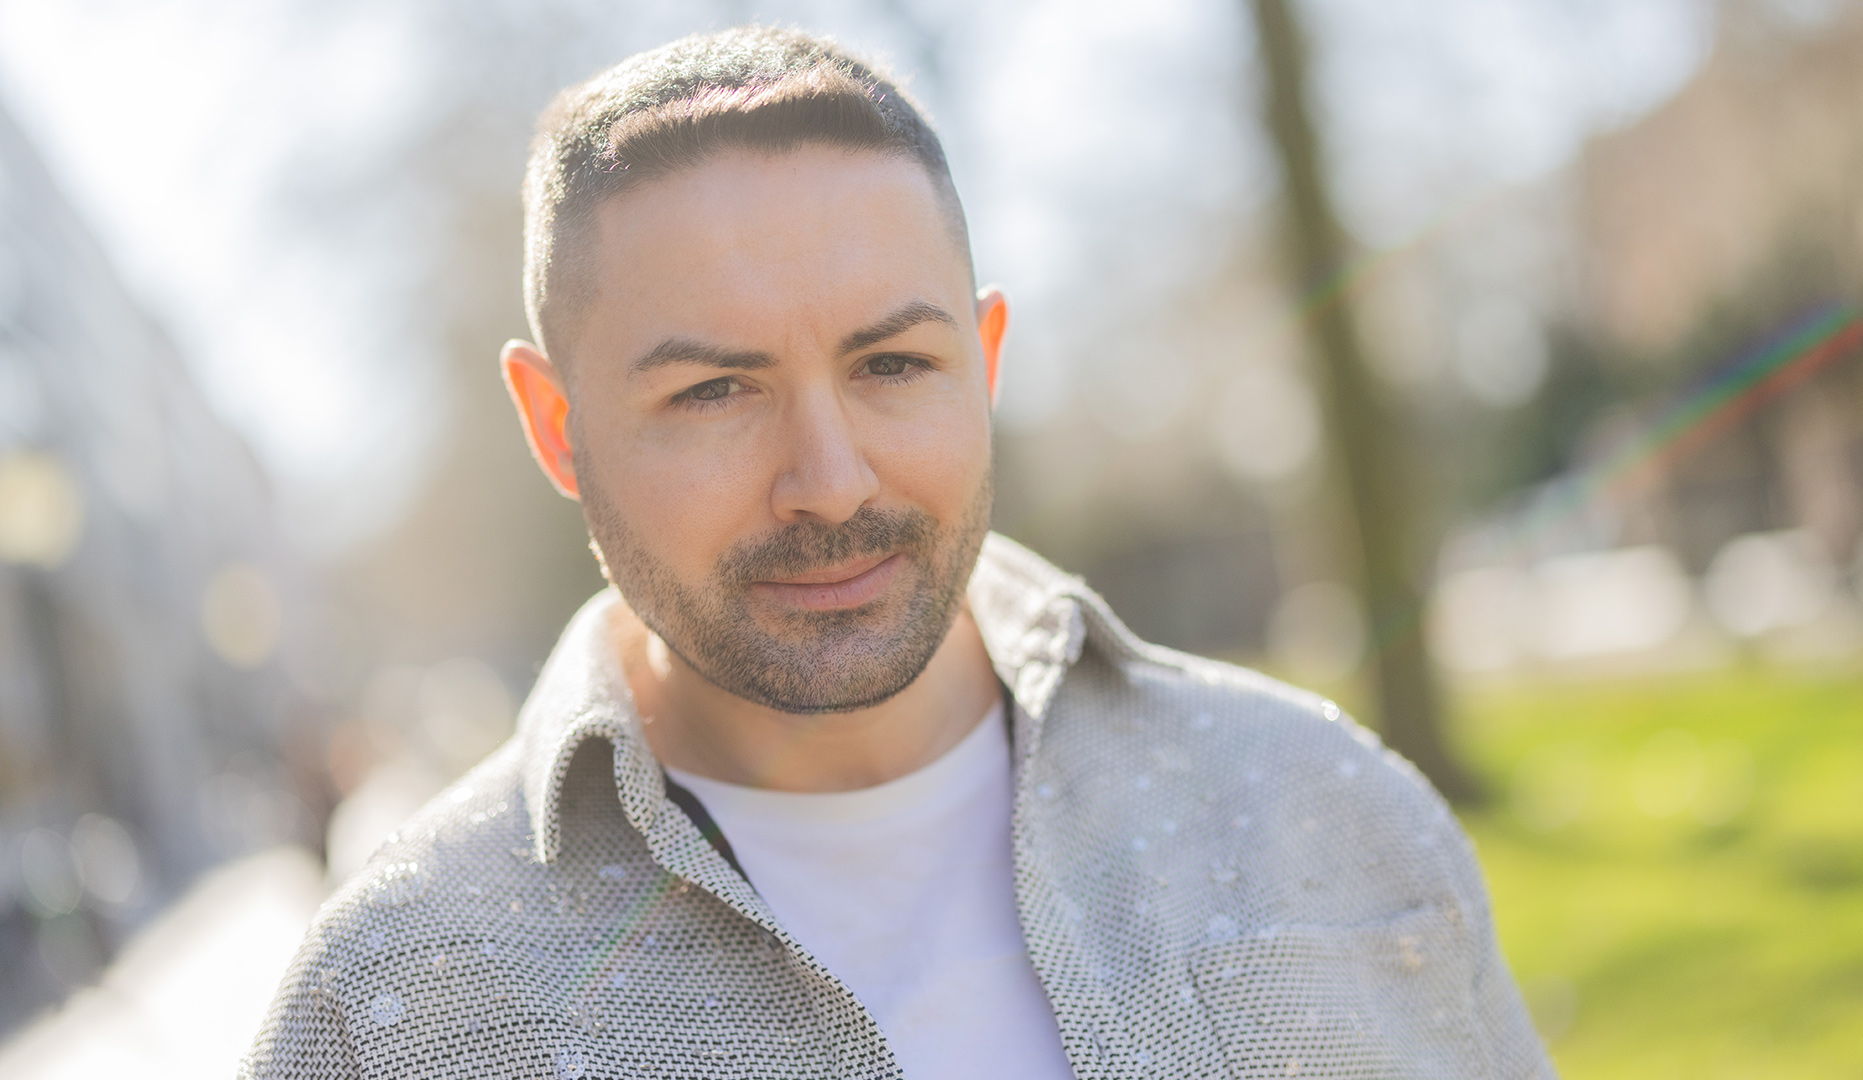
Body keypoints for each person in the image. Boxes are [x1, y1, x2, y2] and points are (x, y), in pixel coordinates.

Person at [245, 26, 1553, 1080]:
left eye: (892, 365)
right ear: (557, 426)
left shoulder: (1330, 810)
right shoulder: (388, 1019)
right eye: (714, 392)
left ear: (980, 367)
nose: (830, 482)